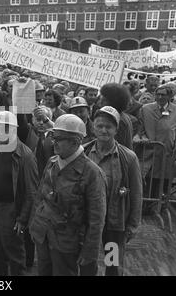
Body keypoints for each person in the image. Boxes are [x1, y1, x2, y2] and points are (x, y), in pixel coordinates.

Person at [28, 114, 107, 276]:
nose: (54, 142)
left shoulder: (91, 173)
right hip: (43, 234)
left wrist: (90, 252)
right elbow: (40, 197)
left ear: (76, 141)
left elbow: (96, 218)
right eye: (53, 137)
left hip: (66, 243)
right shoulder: (52, 162)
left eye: (59, 138)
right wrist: (33, 224)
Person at [0, 111, 39, 276]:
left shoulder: (25, 155)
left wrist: (22, 219)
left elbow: (31, 192)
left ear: (13, 129)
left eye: (4, 127)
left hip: (10, 210)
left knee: (15, 254)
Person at [85, 106, 143, 276]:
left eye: (109, 126)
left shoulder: (128, 158)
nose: (104, 130)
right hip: (88, 222)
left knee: (112, 265)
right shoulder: (84, 152)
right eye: (100, 126)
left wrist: (133, 224)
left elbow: (136, 193)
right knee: (87, 263)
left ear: (116, 129)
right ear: (92, 127)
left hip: (114, 224)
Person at [134, 84, 176, 212]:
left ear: (170, 96)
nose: (159, 97)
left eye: (163, 94)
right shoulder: (145, 109)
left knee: (160, 183)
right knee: (145, 181)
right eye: (157, 94)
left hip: (166, 155)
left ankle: (155, 208)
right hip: (148, 153)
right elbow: (139, 130)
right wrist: (142, 138)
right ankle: (142, 207)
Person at [100, 83, 134, 150]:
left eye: (104, 98)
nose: (101, 100)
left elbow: (116, 146)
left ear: (113, 101)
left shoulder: (118, 120)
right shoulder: (122, 116)